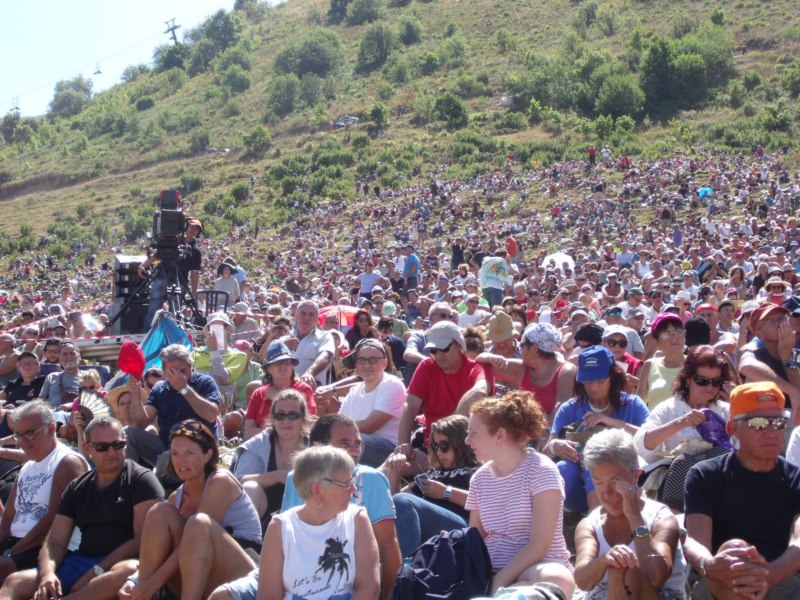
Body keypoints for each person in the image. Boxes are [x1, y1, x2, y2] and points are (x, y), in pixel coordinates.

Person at [0, 416, 164, 600]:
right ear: (88, 448)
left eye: (118, 444)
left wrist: (97, 570)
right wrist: (48, 574)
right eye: (102, 447)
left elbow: (141, 540)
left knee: (128, 570)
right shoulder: (78, 487)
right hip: (81, 560)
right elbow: (55, 542)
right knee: (16, 581)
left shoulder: (142, 480)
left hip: (118, 564)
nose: (111, 452)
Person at [119, 419, 261, 600]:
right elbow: (173, 551)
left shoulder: (221, 481)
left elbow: (198, 534)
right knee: (159, 512)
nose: (181, 461)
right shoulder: (175, 498)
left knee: (198, 522)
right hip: (198, 575)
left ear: (207, 455)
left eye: (189, 453)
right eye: (175, 453)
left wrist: (153, 583)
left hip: (243, 575)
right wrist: (136, 581)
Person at [214, 446, 380, 600]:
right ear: (317, 490)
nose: (353, 488)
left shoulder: (357, 518)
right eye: (345, 483)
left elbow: (370, 588)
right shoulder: (280, 527)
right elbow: (269, 595)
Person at [683, 381, 800, 599]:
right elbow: (695, 541)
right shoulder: (705, 475)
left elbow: (799, 541)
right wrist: (709, 564)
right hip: (722, 581)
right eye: (758, 423)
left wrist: (768, 575)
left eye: (779, 422)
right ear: (732, 428)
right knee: (734, 550)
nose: (772, 432)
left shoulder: (796, 478)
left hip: (781, 579)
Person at [466, 391, 575, 598]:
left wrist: (499, 582)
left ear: (500, 435)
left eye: (473, 433)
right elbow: (475, 538)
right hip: (492, 569)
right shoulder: (479, 478)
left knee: (557, 579)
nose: (467, 440)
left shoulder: (542, 470)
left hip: (536, 567)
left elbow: (539, 544)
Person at [280, 414, 402, 595]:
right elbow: (286, 542)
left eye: (358, 443)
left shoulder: (371, 479)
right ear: (319, 448)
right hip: (298, 583)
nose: (354, 450)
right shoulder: (295, 478)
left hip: (350, 585)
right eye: (345, 443)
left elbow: (388, 545)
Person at [574, 429, 687, 600]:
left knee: (625, 570)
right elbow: (582, 580)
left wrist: (634, 517)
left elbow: (656, 576)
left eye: (615, 482)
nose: (607, 492)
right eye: (599, 482)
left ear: (636, 476)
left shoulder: (661, 518)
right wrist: (605, 559)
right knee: (616, 567)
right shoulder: (590, 524)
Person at [548, 346, 649, 513]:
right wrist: (556, 446)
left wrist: (610, 421)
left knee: (596, 463)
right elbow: (548, 446)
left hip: (623, 478)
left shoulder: (633, 404)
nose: (594, 387)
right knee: (562, 469)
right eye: (588, 381)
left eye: (600, 381)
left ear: (613, 377)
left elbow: (649, 438)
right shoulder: (569, 408)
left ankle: (601, 522)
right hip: (577, 486)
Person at [633, 345, 733, 511]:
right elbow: (643, 445)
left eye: (716, 383)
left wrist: (739, 405)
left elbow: (748, 448)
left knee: (720, 454)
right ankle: (675, 523)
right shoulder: (669, 408)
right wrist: (682, 422)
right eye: (702, 381)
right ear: (688, 378)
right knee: (683, 462)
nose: (709, 388)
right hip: (677, 485)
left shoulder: (726, 410)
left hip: (718, 485)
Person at [0, 402, 87, 583]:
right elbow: (8, 518)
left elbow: (54, 520)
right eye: (19, 436)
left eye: (31, 434)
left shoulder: (68, 463)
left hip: (48, 550)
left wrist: (11, 553)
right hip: (16, 545)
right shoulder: (27, 467)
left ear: (51, 428)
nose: (24, 442)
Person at [396, 321, 490, 474]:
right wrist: (403, 444)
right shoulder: (427, 366)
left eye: (444, 348)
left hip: (467, 449)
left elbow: (479, 391)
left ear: (460, 345)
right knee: (394, 465)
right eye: (433, 350)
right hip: (433, 449)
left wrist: (447, 430)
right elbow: (410, 405)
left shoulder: (476, 368)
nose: (438, 355)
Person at [383, 414, 479, 557]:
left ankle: (404, 572)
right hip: (430, 526)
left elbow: (487, 504)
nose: (439, 452)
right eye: (435, 446)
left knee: (403, 502)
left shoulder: (477, 471)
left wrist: (446, 493)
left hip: (463, 528)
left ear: (461, 443)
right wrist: (396, 471)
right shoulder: (434, 474)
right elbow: (396, 503)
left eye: (444, 446)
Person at [125, 344, 221, 471]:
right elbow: (142, 422)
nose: (178, 376)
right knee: (129, 432)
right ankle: (127, 480)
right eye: (172, 372)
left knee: (167, 458)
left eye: (182, 371)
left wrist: (184, 388)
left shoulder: (205, 382)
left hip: (199, 449)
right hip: (166, 447)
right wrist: (136, 395)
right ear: (164, 372)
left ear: (190, 366)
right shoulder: (160, 388)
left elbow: (211, 415)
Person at [232, 389, 309, 523]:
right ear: (272, 419)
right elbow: (237, 483)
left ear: (303, 419)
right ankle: (248, 540)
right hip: (263, 515)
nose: (286, 421)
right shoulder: (259, 443)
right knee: (250, 487)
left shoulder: (315, 446)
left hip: (305, 516)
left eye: (293, 415)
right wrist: (279, 476)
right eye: (280, 415)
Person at [479, 322, 577, 418]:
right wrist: (488, 357)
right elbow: (479, 366)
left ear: (535, 349)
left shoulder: (566, 371)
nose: (519, 350)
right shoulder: (523, 368)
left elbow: (561, 410)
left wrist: (544, 433)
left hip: (553, 432)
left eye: (522, 346)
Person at [336, 338, 407, 467]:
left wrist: (333, 430)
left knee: (352, 441)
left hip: (389, 450)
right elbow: (340, 422)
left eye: (373, 360)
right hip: (357, 442)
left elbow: (370, 426)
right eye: (361, 360)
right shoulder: (354, 391)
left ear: (384, 363)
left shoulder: (392, 384)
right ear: (356, 365)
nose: (367, 365)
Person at [139, 217, 203, 331]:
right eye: (192, 227)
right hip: (160, 278)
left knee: (176, 314)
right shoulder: (173, 241)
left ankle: (173, 339)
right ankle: (147, 337)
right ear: (186, 227)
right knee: (153, 312)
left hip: (179, 282)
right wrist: (143, 265)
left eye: (196, 229)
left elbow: (194, 273)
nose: (193, 230)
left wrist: (193, 293)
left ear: (198, 233)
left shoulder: (196, 251)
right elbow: (158, 255)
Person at [244, 341, 315, 440]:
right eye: (277, 363)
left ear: (292, 366)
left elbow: (307, 425)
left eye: (287, 362)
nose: (283, 366)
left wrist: (276, 396)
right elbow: (248, 432)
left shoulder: (303, 389)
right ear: (268, 368)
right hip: (263, 446)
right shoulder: (259, 394)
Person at [637, 314, 686, 408]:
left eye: (679, 332)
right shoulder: (650, 365)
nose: (674, 337)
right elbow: (639, 406)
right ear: (657, 343)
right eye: (666, 334)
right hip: (655, 422)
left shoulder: (696, 364)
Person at [286, 300, 335, 389]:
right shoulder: (286, 336)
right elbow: (265, 359)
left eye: (311, 315)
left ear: (317, 319)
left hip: (310, 385)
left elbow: (325, 356)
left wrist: (309, 373)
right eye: (303, 313)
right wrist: (282, 347)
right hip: (283, 383)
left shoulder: (324, 336)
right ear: (296, 316)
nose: (307, 318)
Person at [39, 342, 82, 408]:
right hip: (54, 414)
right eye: (64, 354)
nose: (69, 356)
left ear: (79, 356)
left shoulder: (88, 377)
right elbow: (41, 400)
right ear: (59, 358)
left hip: (79, 413)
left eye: (72, 353)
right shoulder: (52, 377)